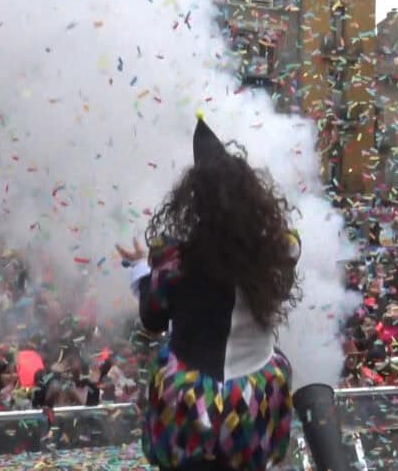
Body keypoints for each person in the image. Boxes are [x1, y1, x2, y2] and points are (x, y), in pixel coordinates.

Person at [116, 114, 300, 471]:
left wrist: (142, 269)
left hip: (189, 399)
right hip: (255, 398)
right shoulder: (280, 252)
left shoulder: (176, 260)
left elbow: (152, 320)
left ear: (194, 201)